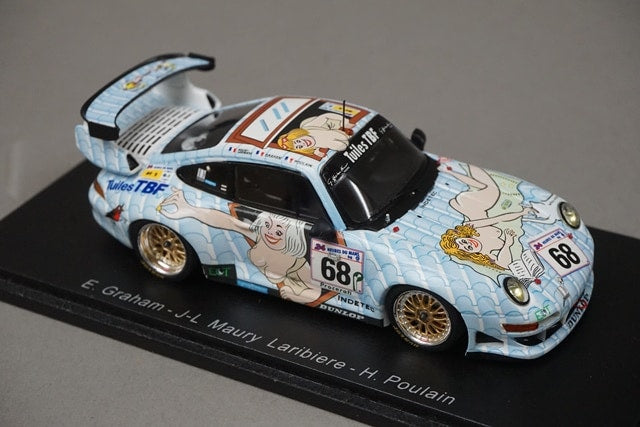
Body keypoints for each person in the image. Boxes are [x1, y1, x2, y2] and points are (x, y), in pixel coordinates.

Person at [158, 189, 321, 303]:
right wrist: (191, 210)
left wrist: (295, 294)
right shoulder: (261, 236)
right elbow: (228, 221)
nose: (271, 233)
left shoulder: (297, 263)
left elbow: (316, 291)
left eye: (278, 232)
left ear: (291, 237)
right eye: (268, 225)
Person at [439, 162, 535, 270]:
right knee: (483, 186)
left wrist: (522, 213)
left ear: (461, 236)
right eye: (468, 247)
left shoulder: (471, 226)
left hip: (469, 204)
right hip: (467, 206)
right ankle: (450, 170)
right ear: (467, 253)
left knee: (492, 189)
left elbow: (500, 218)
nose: (469, 243)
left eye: (463, 241)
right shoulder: (484, 253)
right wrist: (508, 244)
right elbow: (505, 265)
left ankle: (457, 168)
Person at [277, 112, 353, 157]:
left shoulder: (308, 128)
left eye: (298, 141)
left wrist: (345, 121)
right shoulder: (312, 148)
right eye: (299, 146)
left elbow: (325, 116)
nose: (303, 143)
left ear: (298, 135)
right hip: (341, 140)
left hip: (333, 126)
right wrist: (317, 152)